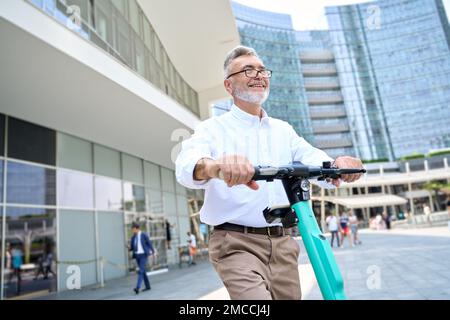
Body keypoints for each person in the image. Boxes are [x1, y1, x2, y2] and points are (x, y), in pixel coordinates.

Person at [175, 45, 364, 300]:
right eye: (247, 70)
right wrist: (215, 167)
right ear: (228, 86)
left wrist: (337, 166)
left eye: (262, 70)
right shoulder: (212, 129)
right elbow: (187, 164)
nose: (258, 75)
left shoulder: (283, 130)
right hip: (235, 243)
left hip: (283, 243)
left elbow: (313, 159)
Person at [129, 223, 154, 294]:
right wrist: (129, 248)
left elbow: (149, 243)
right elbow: (132, 247)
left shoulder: (143, 235)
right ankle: (148, 286)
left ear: (137, 228)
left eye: (133, 229)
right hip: (137, 255)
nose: (132, 231)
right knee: (143, 271)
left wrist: (153, 252)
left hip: (143, 255)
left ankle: (137, 287)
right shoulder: (133, 237)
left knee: (141, 271)